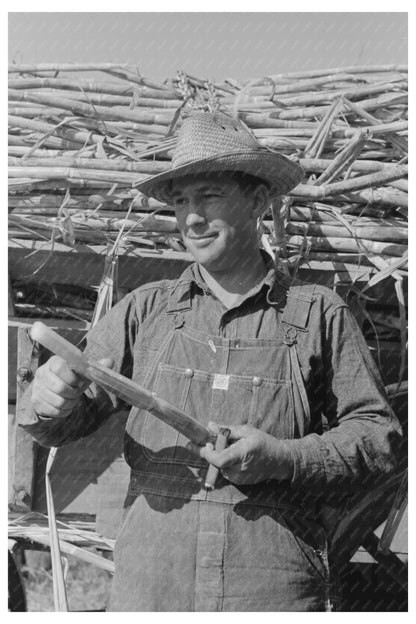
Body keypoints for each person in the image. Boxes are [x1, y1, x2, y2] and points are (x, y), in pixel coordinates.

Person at [19, 110, 402, 612]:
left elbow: (380, 440)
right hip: (152, 587)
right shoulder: (144, 310)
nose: (192, 218)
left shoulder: (318, 314)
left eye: (210, 196)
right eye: (181, 202)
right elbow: (62, 421)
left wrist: (285, 459)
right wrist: (49, 400)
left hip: (270, 588)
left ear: (258, 199)